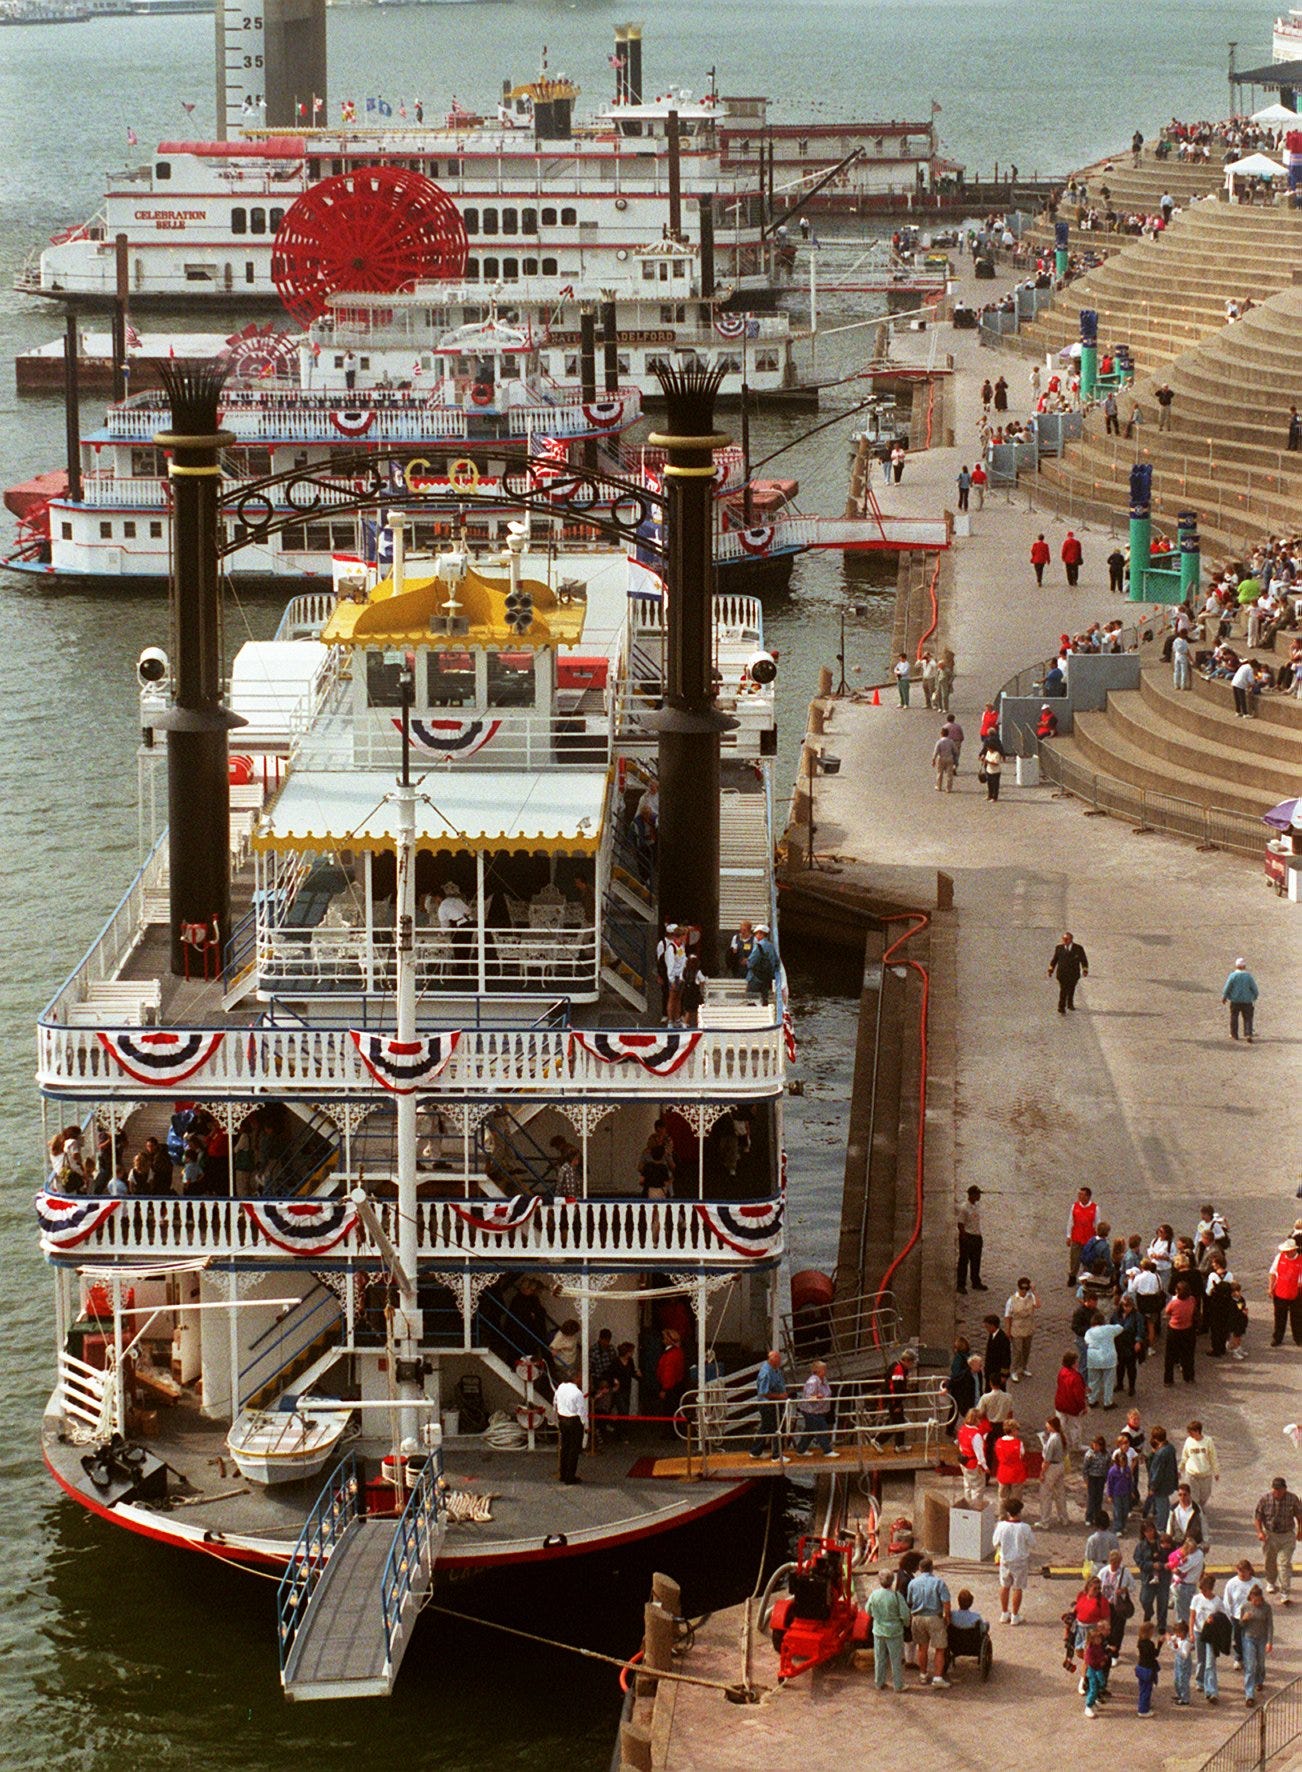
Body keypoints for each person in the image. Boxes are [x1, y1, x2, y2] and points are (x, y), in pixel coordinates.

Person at [905, 1557, 951, 1687]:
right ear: (932, 1568)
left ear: (920, 1568)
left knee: (922, 1648)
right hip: (934, 1617)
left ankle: (923, 1675)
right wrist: (947, 1617)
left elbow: (909, 1600)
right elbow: (946, 1602)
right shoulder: (939, 1582)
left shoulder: (913, 1583)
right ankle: (937, 1678)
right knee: (940, 1648)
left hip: (918, 1617)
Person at [1254, 1477, 1301, 1602]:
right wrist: (1260, 1532)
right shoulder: (1265, 1499)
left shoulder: (1293, 1499)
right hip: (1270, 1535)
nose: (1277, 1493)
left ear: (1285, 1489)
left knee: (1284, 1564)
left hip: (1287, 1536)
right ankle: (1270, 1581)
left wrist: (1300, 1531)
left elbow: (1299, 1516)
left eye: (1280, 1490)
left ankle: (1285, 1591)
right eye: (1275, 1490)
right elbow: (1258, 1517)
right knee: (1270, 1560)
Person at [867, 1569, 912, 1691]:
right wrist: (906, 1624)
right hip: (894, 1631)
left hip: (878, 1630)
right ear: (892, 1581)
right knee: (896, 1659)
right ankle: (898, 1685)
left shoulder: (874, 1594)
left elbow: (868, 1610)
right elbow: (905, 1614)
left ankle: (879, 1682)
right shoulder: (897, 1596)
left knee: (879, 1658)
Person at [992, 1499, 1035, 1623]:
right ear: (1019, 1512)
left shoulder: (1001, 1526)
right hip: (1020, 1561)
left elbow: (995, 1542)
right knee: (1017, 1588)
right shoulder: (1025, 1528)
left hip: (1005, 1560)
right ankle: (1015, 1615)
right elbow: (1033, 1543)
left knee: (1004, 1586)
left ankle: (1004, 1613)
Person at [1190, 1573, 1227, 1704]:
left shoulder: (1217, 1601)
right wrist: (1191, 1633)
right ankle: (1200, 1680)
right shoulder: (1196, 1599)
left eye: (1205, 1590)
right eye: (1201, 1589)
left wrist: (1214, 1619)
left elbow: (1224, 1617)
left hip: (1211, 1634)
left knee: (1210, 1662)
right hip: (1199, 1632)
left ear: (1210, 1589)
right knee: (1201, 1659)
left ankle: (1212, 1691)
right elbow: (1192, 1616)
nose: (1203, 1592)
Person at [749, 1349, 788, 1460]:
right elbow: (764, 1393)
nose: (780, 1361)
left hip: (774, 1404)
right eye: (778, 1359)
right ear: (772, 1360)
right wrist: (780, 1396)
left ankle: (755, 1451)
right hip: (768, 1405)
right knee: (777, 1427)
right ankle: (776, 1455)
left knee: (766, 1427)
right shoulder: (765, 1373)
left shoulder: (775, 1370)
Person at [1239, 1584, 1274, 1705]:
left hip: (1262, 1638)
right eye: (1254, 1600)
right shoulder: (1245, 1607)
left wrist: (1270, 1641)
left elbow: (1270, 1625)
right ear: (1250, 1598)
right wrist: (1244, 1619)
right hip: (1249, 1638)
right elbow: (1240, 1626)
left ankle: (1259, 1680)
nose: (1256, 1602)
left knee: (1260, 1662)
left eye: (1258, 1600)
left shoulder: (1266, 1608)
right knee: (1250, 1665)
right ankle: (1249, 1694)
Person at [1136, 1519, 1173, 1631]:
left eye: (1151, 1530)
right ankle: (1149, 1612)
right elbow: (1139, 1561)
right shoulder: (1141, 1546)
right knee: (1145, 1599)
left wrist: (1162, 1565)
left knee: (1163, 1601)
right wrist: (1151, 1565)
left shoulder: (1162, 1540)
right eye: (1146, 1531)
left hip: (1163, 1576)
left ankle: (1161, 1624)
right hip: (1148, 1577)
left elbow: (1171, 1554)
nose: (1149, 1533)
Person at [794, 1360, 835, 1457]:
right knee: (821, 1429)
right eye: (823, 1369)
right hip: (812, 1411)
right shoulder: (812, 1381)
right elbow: (809, 1397)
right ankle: (827, 1451)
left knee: (810, 1430)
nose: (825, 1371)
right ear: (818, 1371)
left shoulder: (823, 1380)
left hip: (820, 1410)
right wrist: (817, 1397)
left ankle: (801, 1450)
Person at [1163, 1278, 1198, 1385]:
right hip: (1188, 1329)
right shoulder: (1192, 1300)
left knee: (1170, 1356)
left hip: (1174, 1330)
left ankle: (1168, 1380)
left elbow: (1167, 1311)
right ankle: (1189, 1376)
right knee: (1188, 1354)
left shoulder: (1174, 1303)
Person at [554, 1374, 587, 1485]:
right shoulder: (577, 1393)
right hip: (574, 1420)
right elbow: (581, 1410)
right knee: (574, 1449)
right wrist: (585, 1424)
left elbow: (555, 1402)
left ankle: (563, 1474)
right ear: (576, 1379)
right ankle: (570, 1476)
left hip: (562, 1418)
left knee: (565, 1447)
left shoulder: (560, 1388)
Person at [1055, 1350, 1089, 1459]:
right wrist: (1083, 1407)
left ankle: (1062, 1443)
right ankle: (1076, 1445)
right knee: (1076, 1427)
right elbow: (1078, 1395)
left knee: (1061, 1425)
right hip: (1072, 1406)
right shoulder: (1075, 1377)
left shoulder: (1062, 1372)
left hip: (1060, 1403)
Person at [1269, 1238, 1302, 1346]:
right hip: (1280, 1292)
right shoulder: (1279, 1257)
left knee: (1297, 1318)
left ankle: (1298, 1338)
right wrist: (1270, 1288)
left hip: (1297, 1294)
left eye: (1287, 1251)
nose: (1285, 1252)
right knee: (1279, 1317)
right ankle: (1277, 1338)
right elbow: (1272, 1273)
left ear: (1293, 1250)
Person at [1004, 1276, 1038, 1380]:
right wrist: (1008, 1331)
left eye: (1026, 1288)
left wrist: (1034, 1291)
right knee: (1017, 1351)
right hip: (1017, 1328)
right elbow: (1008, 1316)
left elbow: (1038, 1305)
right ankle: (1014, 1370)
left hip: (1028, 1327)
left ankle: (1023, 1367)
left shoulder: (1031, 1296)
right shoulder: (1012, 1300)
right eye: (1022, 1288)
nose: (1024, 1291)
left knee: (1026, 1349)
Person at [1047, 932, 1089, 1015]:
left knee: (1071, 988)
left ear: (1071, 940)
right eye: (1063, 939)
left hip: (1073, 974)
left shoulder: (1078, 948)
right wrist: (1050, 970)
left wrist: (1085, 970)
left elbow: (1083, 960)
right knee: (1063, 990)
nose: (1064, 941)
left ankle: (1070, 1003)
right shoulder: (1059, 948)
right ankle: (1061, 1007)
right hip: (1062, 974)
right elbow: (1054, 960)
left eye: (1066, 939)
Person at [957, 1406, 989, 1504]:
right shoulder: (976, 1435)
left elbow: (960, 1445)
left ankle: (967, 1504)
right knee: (977, 1487)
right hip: (973, 1463)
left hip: (963, 1460)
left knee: (967, 1484)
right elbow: (979, 1453)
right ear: (977, 1419)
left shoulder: (962, 1429)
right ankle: (975, 1508)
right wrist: (984, 1466)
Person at [1221, 957, 1259, 1043]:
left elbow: (1228, 986)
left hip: (1235, 1000)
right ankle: (1248, 1033)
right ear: (1244, 966)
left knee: (1234, 1016)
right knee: (1248, 1018)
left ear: (1236, 966)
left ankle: (1234, 1034)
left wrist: (1224, 997)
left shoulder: (1233, 976)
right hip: (1247, 1001)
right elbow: (1254, 988)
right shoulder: (1248, 976)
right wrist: (1255, 996)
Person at [956, 1185, 985, 1292]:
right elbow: (960, 1224)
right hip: (968, 1236)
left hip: (977, 1236)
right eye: (977, 1194)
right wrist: (964, 1238)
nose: (979, 1196)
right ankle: (961, 1285)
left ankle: (976, 1282)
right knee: (964, 1261)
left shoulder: (976, 1207)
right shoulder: (964, 1208)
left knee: (976, 1261)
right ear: (972, 1195)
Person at [1067, 1185, 1099, 1285]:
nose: (1079, 1196)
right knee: (1074, 1259)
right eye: (1079, 1194)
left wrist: (1097, 1239)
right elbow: (1070, 1222)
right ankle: (1072, 1276)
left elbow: (1097, 1223)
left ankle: (1086, 1278)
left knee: (1088, 1260)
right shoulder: (1075, 1206)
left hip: (1089, 1239)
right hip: (1076, 1237)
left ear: (1088, 1196)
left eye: (1081, 1194)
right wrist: (1068, 1236)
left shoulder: (1095, 1208)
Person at [993, 1420, 1028, 1507]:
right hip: (1016, 1473)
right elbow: (1021, 1455)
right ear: (1013, 1430)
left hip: (1003, 1472)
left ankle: (1002, 1516)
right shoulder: (1018, 1443)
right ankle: (1014, 1516)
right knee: (1016, 1498)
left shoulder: (998, 1442)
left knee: (1002, 1497)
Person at [1082, 1623, 1111, 1718]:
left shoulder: (1098, 1647)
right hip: (1093, 1670)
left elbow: (1101, 1654)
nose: (1099, 1640)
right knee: (1094, 1687)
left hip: (1098, 1669)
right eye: (1097, 1639)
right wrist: (1101, 1661)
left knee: (1101, 1683)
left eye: (1099, 1638)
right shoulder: (1090, 1650)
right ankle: (1088, 1706)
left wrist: (1104, 1657)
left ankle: (1093, 1700)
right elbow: (1090, 1661)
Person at [745, 922, 778, 1004]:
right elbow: (774, 962)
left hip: (755, 978)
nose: (755, 936)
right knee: (764, 999)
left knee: (751, 999)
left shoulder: (758, 946)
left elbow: (751, 962)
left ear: (761, 934)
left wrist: (747, 962)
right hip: (766, 978)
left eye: (756, 933)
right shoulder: (771, 946)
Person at [1135, 1620, 1160, 1716]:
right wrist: (1160, 1644)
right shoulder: (1150, 1644)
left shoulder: (1140, 1642)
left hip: (1140, 1667)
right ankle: (1143, 1710)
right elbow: (1155, 1654)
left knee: (1143, 1688)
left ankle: (1145, 1705)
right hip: (1147, 1669)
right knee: (1146, 1689)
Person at [1083, 1443, 1111, 1530]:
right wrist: (1086, 1479)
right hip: (1092, 1478)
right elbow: (1085, 1468)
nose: (1096, 1447)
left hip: (1101, 1478)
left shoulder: (1106, 1454)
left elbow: (1108, 1465)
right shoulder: (1089, 1454)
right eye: (1095, 1445)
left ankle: (1097, 1517)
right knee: (1091, 1498)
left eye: (1098, 1445)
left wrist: (1106, 1477)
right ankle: (1089, 1517)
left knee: (1099, 1498)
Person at [886, 1348, 916, 1425]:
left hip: (893, 1401)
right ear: (907, 1361)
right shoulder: (899, 1369)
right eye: (911, 1363)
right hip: (894, 1402)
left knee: (896, 1426)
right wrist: (896, 1405)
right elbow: (896, 1388)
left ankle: (879, 1437)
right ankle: (878, 1438)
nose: (911, 1365)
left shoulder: (897, 1366)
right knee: (896, 1426)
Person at [1168, 1618, 1194, 1705]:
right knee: (1177, 1679)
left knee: (1183, 1680)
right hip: (1178, 1663)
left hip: (1184, 1664)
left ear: (1183, 1633)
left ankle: (1185, 1698)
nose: (1176, 1634)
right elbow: (1171, 1638)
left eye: (1178, 1632)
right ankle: (1179, 1694)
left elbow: (1184, 1655)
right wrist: (1169, 1638)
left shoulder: (1186, 1643)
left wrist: (1175, 1647)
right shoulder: (1179, 1638)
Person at [932, 725, 958, 793]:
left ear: (941, 734)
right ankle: (948, 788)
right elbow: (955, 750)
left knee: (939, 773)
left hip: (941, 758)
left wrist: (933, 760)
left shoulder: (939, 742)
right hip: (949, 758)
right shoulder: (951, 741)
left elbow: (936, 751)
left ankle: (939, 786)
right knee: (949, 774)